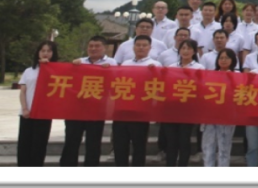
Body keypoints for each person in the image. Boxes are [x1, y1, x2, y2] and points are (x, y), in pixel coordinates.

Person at [60, 36, 116, 166]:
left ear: (105, 48)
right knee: (71, 141)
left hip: (97, 109)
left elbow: (115, 84)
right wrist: (72, 67)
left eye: (97, 46)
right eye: (91, 46)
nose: (93, 49)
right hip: (76, 108)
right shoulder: (79, 62)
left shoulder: (112, 63)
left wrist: (110, 71)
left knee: (93, 143)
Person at [114, 35, 161, 166]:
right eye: (138, 45)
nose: (141, 48)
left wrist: (155, 73)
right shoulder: (125, 64)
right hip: (122, 109)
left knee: (139, 145)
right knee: (120, 145)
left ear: (150, 48)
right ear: (133, 47)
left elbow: (159, 87)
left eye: (144, 45)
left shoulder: (155, 65)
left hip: (141, 111)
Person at [162, 39, 203, 166]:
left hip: (188, 109)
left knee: (184, 140)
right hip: (171, 108)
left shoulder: (199, 68)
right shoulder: (171, 67)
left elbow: (201, 88)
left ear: (194, 51)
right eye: (183, 48)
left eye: (189, 48)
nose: (185, 51)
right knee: (171, 141)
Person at [17, 41, 58, 166]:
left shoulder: (57, 71)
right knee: (24, 144)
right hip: (27, 113)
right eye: (43, 50)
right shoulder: (29, 71)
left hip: (44, 114)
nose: (45, 53)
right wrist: (24, 108)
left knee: (39, 145)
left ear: (53, 53)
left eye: (49, 51)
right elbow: (23, 92)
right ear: (38, 53)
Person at [203, 49, 239, 166]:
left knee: (224, 148)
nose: (223, 60)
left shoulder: (238, 75)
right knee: (208, 148)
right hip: (210, 115)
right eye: (221, 58)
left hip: (227, 116)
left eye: (227, 58)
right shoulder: (210, 75)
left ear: (232, 60)